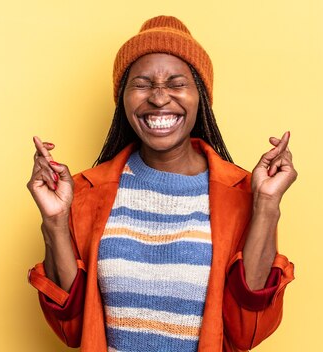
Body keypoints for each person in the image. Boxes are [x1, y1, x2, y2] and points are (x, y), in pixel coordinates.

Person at [26, 15, 297, 352]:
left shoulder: (241, 194)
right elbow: (73, 330)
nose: (158, 98)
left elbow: (247, 332)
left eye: (176, 83)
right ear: (122, 99)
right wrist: (54, 221)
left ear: (200, 96)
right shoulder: (85, 193)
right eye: (141, 83)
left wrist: (267, 205)